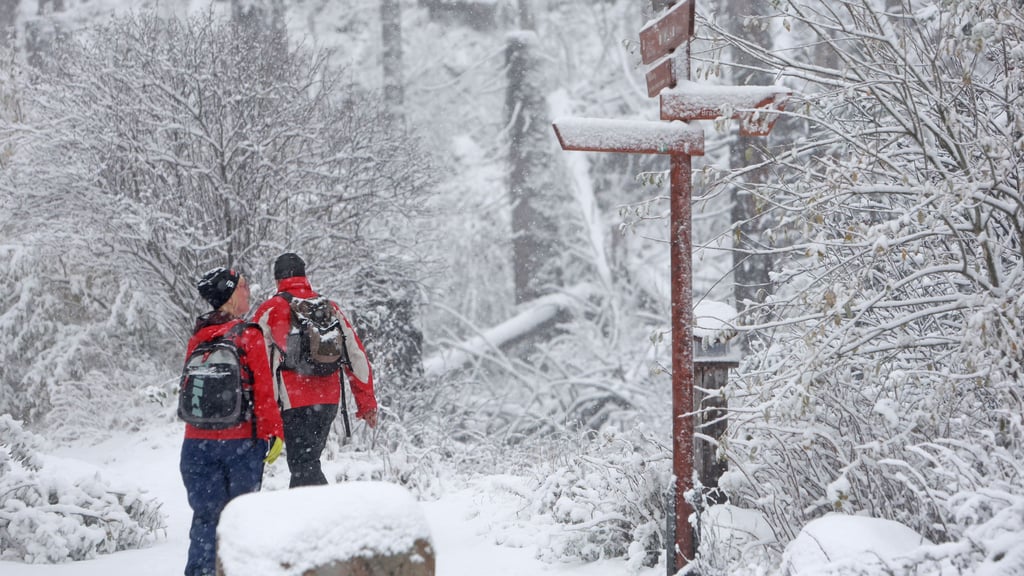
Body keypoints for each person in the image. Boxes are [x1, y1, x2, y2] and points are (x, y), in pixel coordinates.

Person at [179, 267, 284, 576]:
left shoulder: (198, 335)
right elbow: (264, 391)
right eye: (242, 287)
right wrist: (274, 432)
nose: (248, 292)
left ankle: (201, 572)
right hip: (240, 443)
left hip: (196, 445)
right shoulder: (249, 335)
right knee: (242, 519)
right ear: (228, 295)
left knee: (205, 518)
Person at [253, 252, 378, 488]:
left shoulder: (271, 309)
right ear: (304, 275)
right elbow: (356, 355)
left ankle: (328, 518)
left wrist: (262, 407)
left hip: (294, 402)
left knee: (303, 466)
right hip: (328, 401)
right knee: (306, 463)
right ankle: (313, 518)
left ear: (277, 279)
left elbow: (257, 362)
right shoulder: (329, 308)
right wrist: (367, 402)